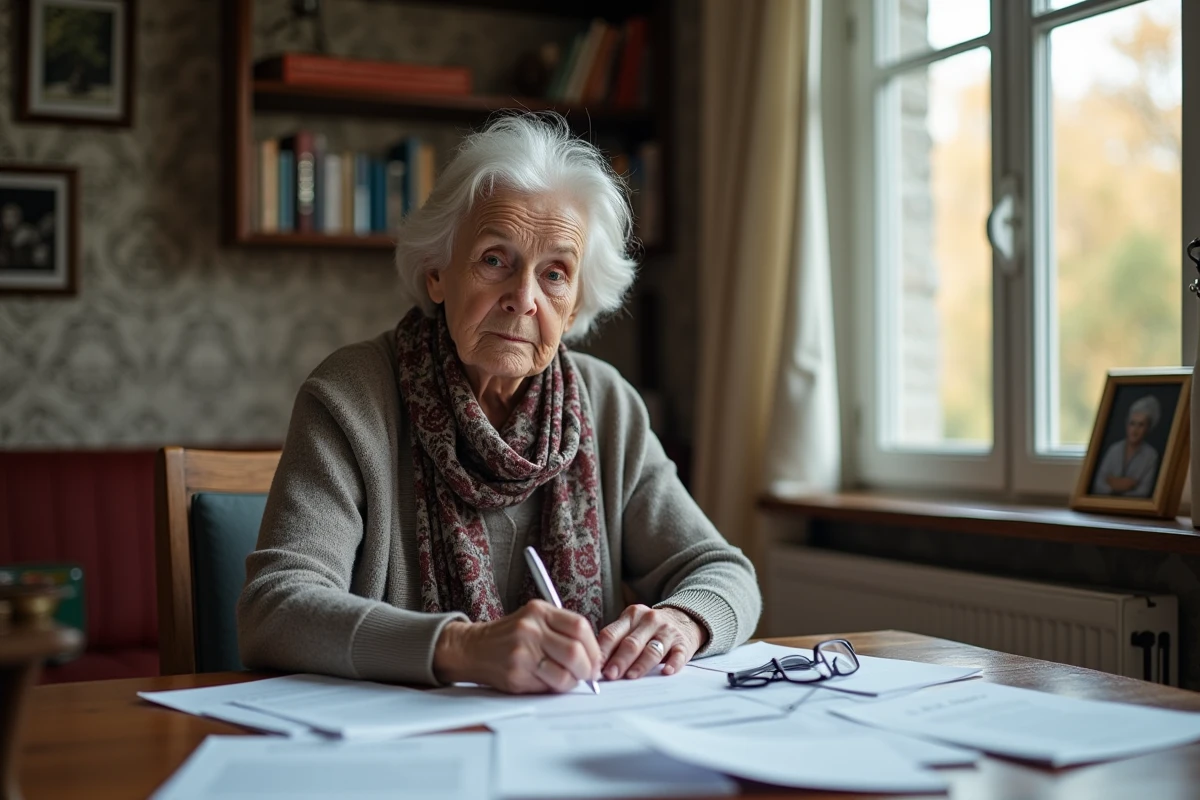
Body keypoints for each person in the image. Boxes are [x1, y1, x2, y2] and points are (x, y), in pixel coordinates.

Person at [238, 113, 761, 694]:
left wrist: (682, 621)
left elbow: (723, 572)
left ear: (575, 303)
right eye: (494, 259)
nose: (523, 298)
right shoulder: (352, 396)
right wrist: (462, 648)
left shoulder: (606, 403)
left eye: (555, 274)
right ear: (437, 274)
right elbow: (275, 608)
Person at [1090, 395, 1162, 498]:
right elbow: (1099, 483)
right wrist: (1124, 486)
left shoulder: (1151, 455)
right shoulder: (1114, 449)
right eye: (1132, 423)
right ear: (1127, 425)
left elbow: (1144, 491)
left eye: (1141, 425)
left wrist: (1115, 483)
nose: (1135, 430)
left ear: (1148, 428)